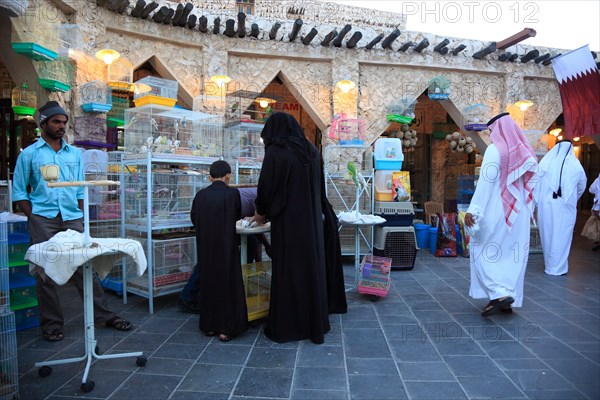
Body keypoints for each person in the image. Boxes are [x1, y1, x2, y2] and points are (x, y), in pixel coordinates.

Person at [12, 101, 132, 342]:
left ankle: (104, 315)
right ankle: (52, 324)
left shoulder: (75, 154)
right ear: (43, 123)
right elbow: (19, 192)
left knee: (84, 267)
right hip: (43, 218)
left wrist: (80, 217)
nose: (61, 126)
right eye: (56, 121)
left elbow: (79, 190)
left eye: (64, 122)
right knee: (45, 271)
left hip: (72, 218)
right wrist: (33, 215)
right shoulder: (30, 154)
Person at [252, 112, 331, 344]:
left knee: (289, 270)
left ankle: (289, 325)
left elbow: (265, 187)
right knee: (310, 269)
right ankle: (314, 323)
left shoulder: (276, 152)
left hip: (288, 222)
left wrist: (261, 212)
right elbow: (320, 190)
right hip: (312, 222)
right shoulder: (312, 152)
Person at [464, 113, 539, 317]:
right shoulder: (526, 152)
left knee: (481, 248)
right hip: (519, 213)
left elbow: (486, 184)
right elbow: (534, 185)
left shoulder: (495, 150)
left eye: (491, 131)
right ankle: (506, 298)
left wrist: (474, 210)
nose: (490, 135)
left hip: (498, 209)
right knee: (512, 255)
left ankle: (499, 294)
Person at [178, 186, 271, 313]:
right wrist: (267, 246)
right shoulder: (261, 199)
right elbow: (253, 228)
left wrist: (265, 249)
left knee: (250, 243)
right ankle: (188, 296)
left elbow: (253, 231)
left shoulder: (260, 196)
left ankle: (240, 284)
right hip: (219, 222)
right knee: (212, 256)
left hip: (214, 221)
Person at [190, 160, 248, 341]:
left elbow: (194, 219)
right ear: (228, 176)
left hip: (205, 247)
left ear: (210, 177)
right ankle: (226, 329)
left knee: (209, 284)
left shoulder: (200, 195)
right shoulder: (232, 194)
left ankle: (208, 327)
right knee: (228, 285)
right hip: (226, 248)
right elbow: (237, 216)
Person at [536, 140, 587, 275]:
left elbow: (536, 184)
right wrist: (572, 199)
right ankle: (557, 268)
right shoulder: (575, 165)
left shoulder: (546, 163)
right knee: (562, 235)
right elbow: (582, 185)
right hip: (565, 206)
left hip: (546, 206)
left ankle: (550, 266)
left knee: (548, 234)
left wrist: (539, 201)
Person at [582, 173, 600, 251]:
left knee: (598, 226)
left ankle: (597, 241)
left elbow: (591, 190)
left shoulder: (598, 180)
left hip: (598, 207)